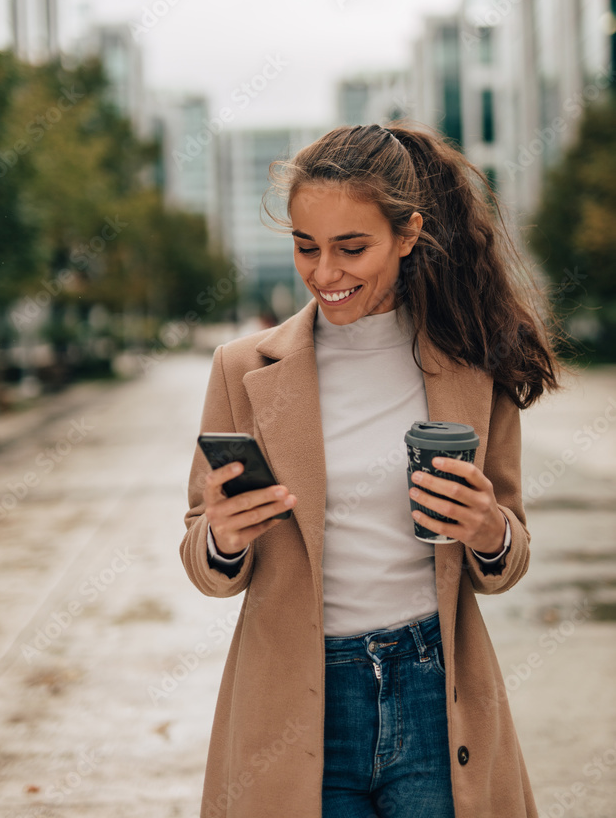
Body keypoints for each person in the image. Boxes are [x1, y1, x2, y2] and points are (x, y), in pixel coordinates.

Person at [179, 121, 563, 818]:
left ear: (407, 233)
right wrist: (223, 537)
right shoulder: (242, 371)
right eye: (305, 247)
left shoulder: (474, 364)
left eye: (350, 248)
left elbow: (505, 561)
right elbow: (202, 562)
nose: (324, 273)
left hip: (434, 694)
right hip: (296, 700)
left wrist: (486, 529)